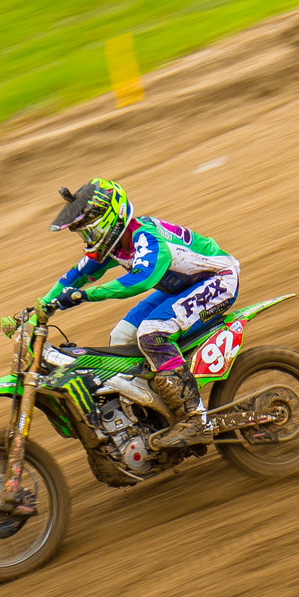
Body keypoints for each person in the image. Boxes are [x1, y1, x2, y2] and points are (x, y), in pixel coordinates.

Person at [41, 179, 242, 441]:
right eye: (83, 234)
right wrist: (39, 308)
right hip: (184, 286)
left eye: (90, 231)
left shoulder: (146, 238)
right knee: (122, 335)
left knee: (152, 333)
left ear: (110, 220)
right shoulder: (117, 245)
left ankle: (195, 419)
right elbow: (75, 276)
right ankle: (151, 415)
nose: (88, 239)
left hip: (218, 280)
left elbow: (141, 279)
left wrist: (87, 295)